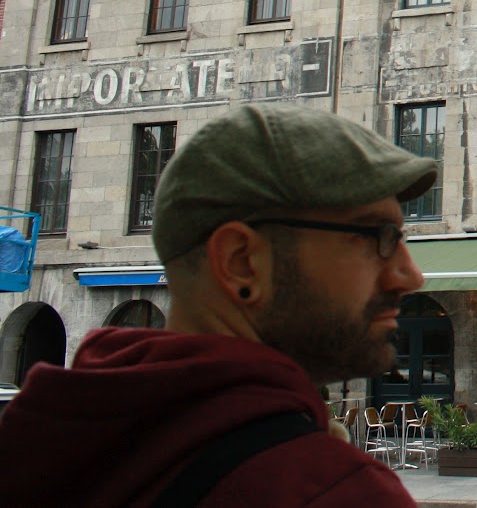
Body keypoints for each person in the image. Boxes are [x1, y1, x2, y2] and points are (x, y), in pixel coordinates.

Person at [0, 103, 438, 507]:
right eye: (378, 237)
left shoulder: (37, 439)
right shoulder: (332, 491)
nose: (410, 275)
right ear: (241, 261)